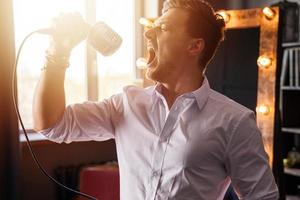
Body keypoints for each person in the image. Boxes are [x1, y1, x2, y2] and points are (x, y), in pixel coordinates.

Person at [33, 0, 279, 199]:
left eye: (163, 28)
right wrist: (58, 51)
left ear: (194, 46)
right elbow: (52, 125)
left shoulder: (234, 122)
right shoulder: (126, 104)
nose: (148, 32)